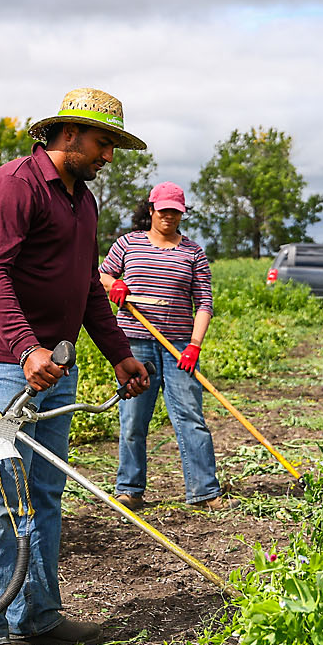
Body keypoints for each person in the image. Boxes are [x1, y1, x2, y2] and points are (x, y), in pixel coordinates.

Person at [0, 88, 152, 645]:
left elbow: (87, 286)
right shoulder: (13, 185)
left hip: (53, 366)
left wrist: (118, 354)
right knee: (0, 496)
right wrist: (24, 346)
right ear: (68, 135)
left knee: (45, 496)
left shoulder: (81, 203)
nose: (109, 156)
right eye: (103, 142)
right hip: (1, 364)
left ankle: (36, 616)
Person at [99, 182, 230, 512]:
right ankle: (129, 489)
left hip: (179, 348)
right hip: (133, 344)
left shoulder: (193, 252)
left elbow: (203, 302)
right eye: (163, 209)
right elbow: (99, 276)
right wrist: (116, 284)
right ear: (151, 210)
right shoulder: (128, 244)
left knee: (190, 417)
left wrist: (194, 346)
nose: (169, 215)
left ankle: (204, 490)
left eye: (175, 211)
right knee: (132, 419)